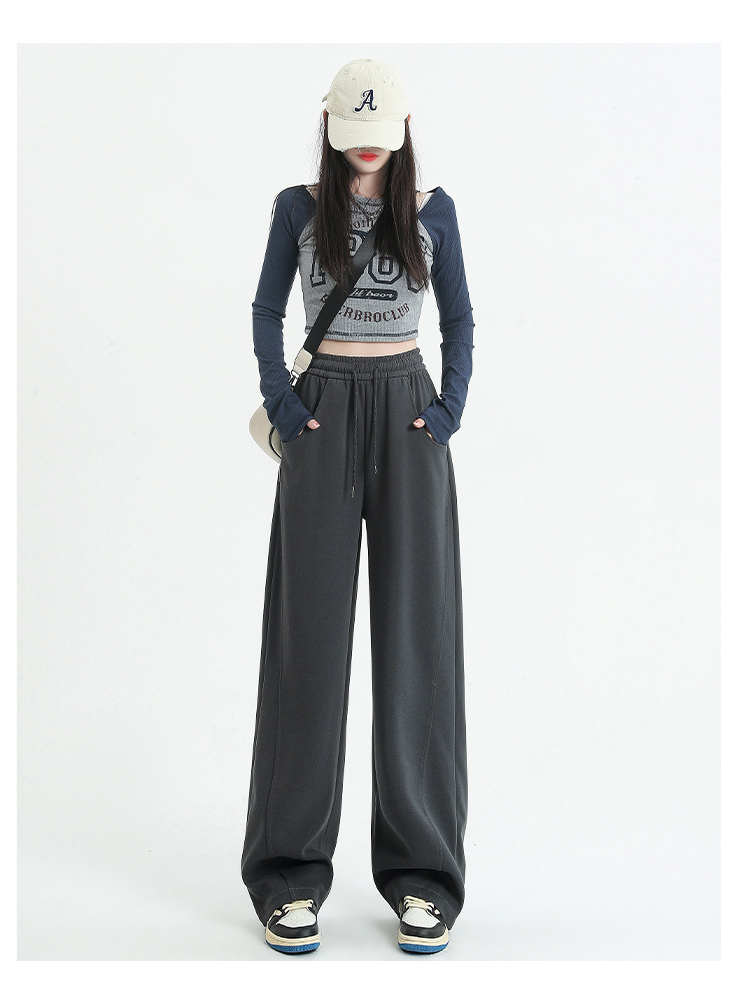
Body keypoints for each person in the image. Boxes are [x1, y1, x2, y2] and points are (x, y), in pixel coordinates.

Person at [241, 57, 474, 956]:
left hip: (408, 412)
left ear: (405, 127)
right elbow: (266, 309)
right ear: (330, 125)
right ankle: (288, 874)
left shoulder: (434, 210)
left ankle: (424, 877)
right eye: (353, 132)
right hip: (323, 412)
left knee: (418, 640)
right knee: (307, 641)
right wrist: (285, 405)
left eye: (381, 132)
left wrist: (447, 412)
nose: (367, 147)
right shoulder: (298, 207)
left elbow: (461, 318)